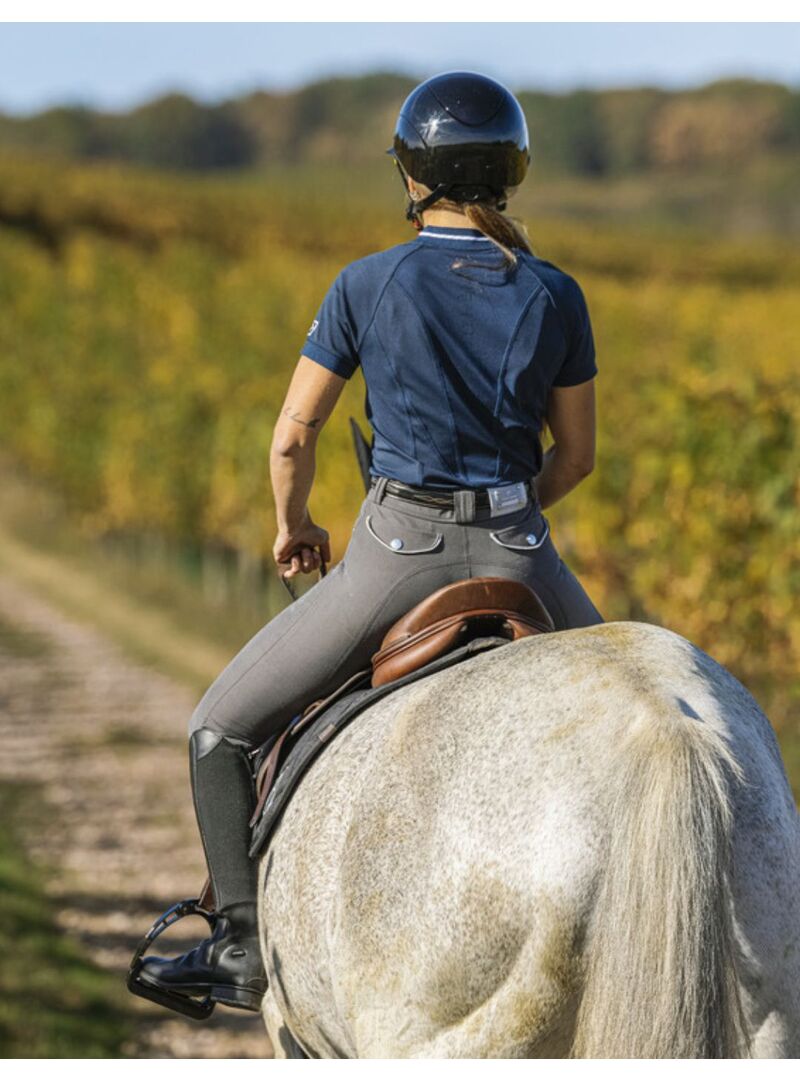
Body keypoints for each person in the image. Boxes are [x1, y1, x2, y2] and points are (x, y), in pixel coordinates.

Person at [134, 70, 603, 1014]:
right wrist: (510, 508)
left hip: (399, 558)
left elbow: (293, 435)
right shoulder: (556, 293)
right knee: (641, 716)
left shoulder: (366, 283)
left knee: (219, 730)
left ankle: (238, 945)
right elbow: (578, 458)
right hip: (523, 555)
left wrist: (294, 525)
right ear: (510, 171)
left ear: (414, 175)